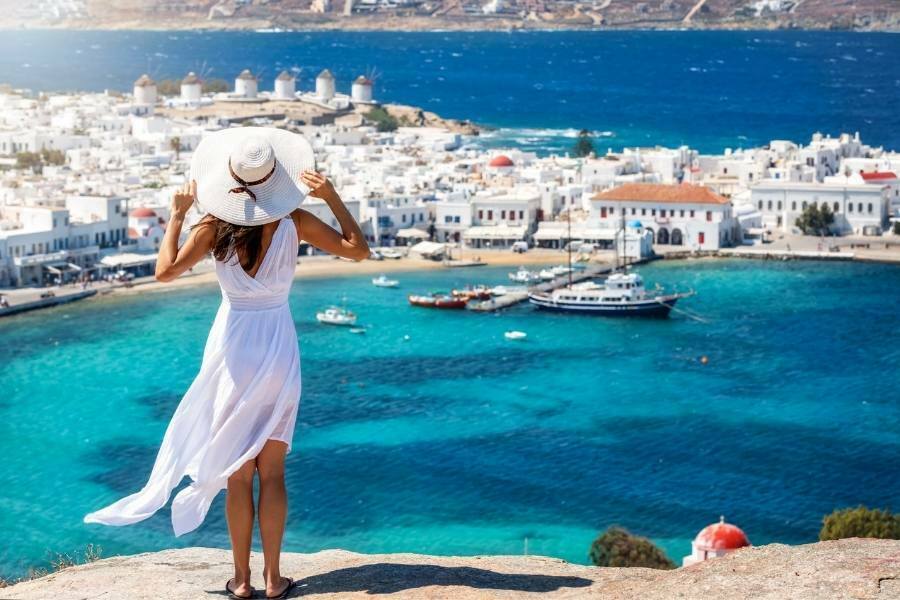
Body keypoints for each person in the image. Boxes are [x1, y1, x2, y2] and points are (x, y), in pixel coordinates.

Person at [84, 128, 369, 600]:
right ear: (276, 176)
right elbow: (358, 250)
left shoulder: (213, 226)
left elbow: (164, 271)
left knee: (238, 473)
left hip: (233, 348)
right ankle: (276, 579)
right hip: (278, 346)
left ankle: (241, 581)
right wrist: (332, 196)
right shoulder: (297, 220)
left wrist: (176, 216)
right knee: (272, 472)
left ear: (230, 179)